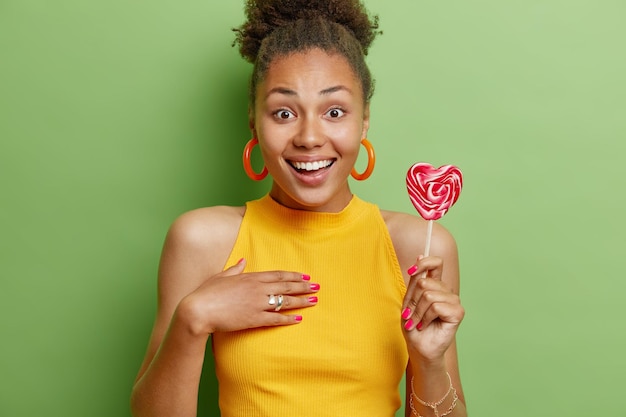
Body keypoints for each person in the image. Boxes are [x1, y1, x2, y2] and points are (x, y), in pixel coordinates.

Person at [130, 1, 467, 416]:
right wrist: (193, 318)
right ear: (254, 121)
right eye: (284, 112)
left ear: (364, 122)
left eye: (335, 111)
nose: (309, 137)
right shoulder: (202, 240)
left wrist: (430, 361)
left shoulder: (420, 247)